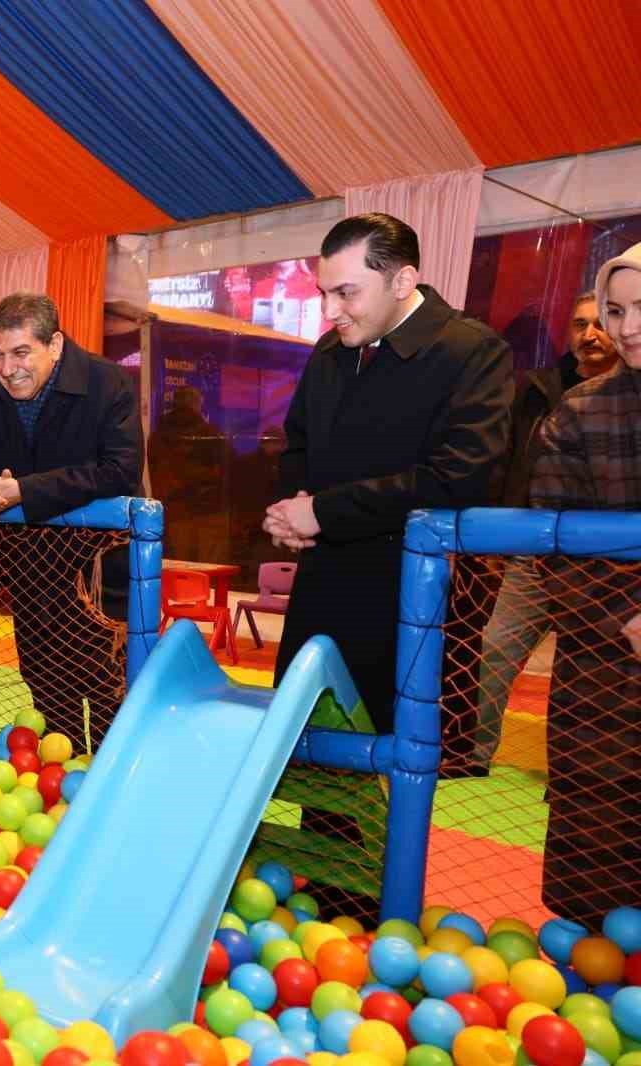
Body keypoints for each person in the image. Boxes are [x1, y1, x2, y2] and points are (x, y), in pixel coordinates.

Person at [264, 213, 512, 732]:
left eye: (346, 293)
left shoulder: (470, 350)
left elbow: (458, 475)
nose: (330, 311)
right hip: (322, 589)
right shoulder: (329, 352)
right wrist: (292, 508)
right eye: (324, 293)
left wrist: (323, 512)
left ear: (402, 281)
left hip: (413, 596)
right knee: (306, 747)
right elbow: (298, 442)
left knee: (399, 754)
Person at [0, 292, 142, 742]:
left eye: (21, 353)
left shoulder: (107, 382)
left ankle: (112, 782)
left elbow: (121, 471)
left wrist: (25, 490)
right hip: (32, 569)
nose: (7, 368)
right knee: (47, 694)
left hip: (101, 574)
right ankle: (64, 781)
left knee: (111, 696)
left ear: (54, 344)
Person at [527, 241, 641, 924]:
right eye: (616, 310)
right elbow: (554, 542)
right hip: (602, 670)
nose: (627, 327)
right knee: (597, 851)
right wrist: (628, 617)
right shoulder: (578, 411)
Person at [467, 291, 620, 772]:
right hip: (534, 553)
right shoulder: (539, 391)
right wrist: (499, 535)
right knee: (495, 648)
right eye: (579, 324)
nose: (589, 335)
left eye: (600, 323)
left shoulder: (629, 402)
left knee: (588, 672)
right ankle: (472, 755)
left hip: (606, 566)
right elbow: (508, 464)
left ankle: (576, 774)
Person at [148, 386, 230, 563]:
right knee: (209, 568)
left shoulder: (158, 435)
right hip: (209, 510)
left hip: (175, 511)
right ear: (196, 404)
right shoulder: (210, 434)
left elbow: (156, 472)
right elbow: (225, 469)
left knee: (181, 566)